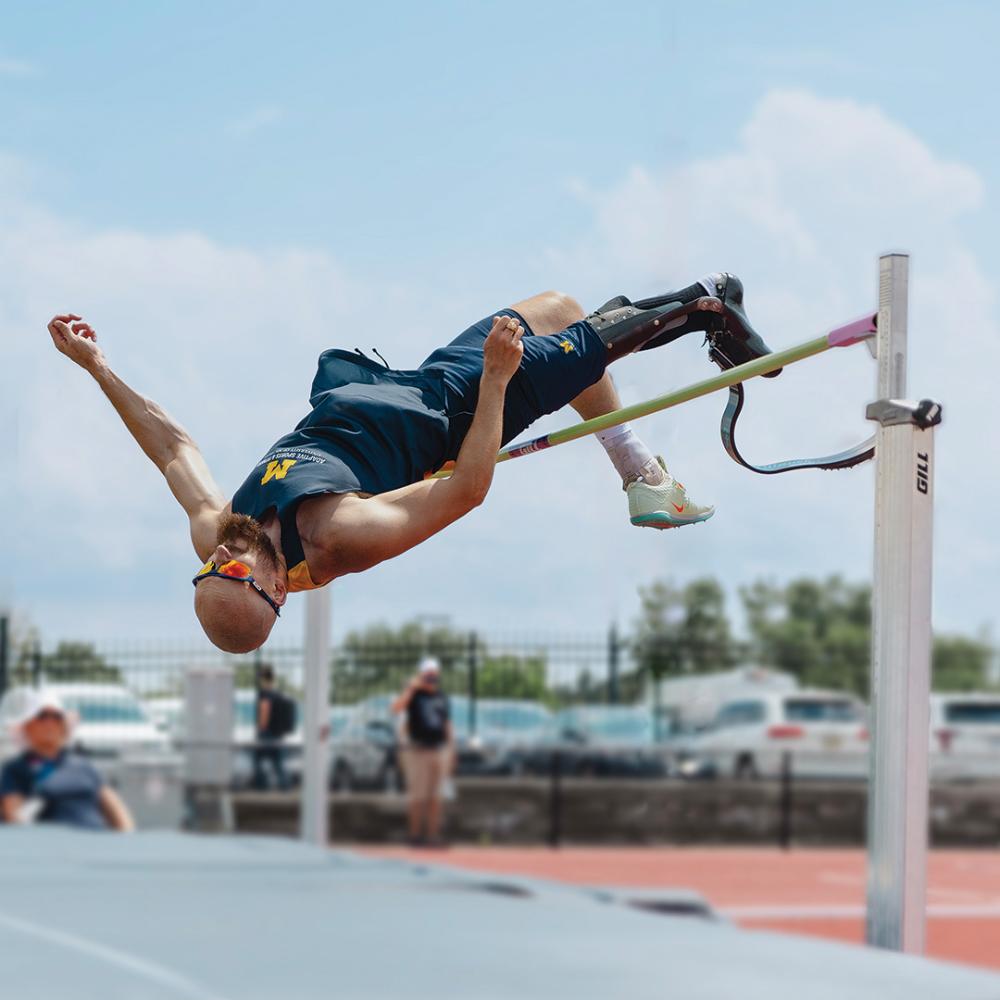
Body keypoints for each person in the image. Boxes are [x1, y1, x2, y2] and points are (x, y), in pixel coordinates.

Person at [46, 273, 776, 653]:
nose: (224, 560)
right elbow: (467, 489)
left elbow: (172, 449)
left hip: (393, 389)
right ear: (278, 591)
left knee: (557, 307)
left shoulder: (223, 533)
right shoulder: (341, 536)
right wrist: (496, 381)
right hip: (453, 411)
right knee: (591, 339)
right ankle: (710, 308)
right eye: (235, 576)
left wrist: (97, 367)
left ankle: (640, 475)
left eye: (212, 570)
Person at [0, 689, 134, 831]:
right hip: (50, 846)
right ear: (26, 727)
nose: (50, 722)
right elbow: (15, 817)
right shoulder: (16, 769)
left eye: (57, 717)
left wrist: (127, 842)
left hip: (96, 843)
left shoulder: (83, 766)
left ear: (63, 726)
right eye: (42, 716)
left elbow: (116, 809)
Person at [392, 657, 453, 846]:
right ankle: (415, 835)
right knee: (417, 796)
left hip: (438, 750)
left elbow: (447, 724)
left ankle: (432, 836)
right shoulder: (414, 695)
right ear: (421, 675)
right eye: (427, 674)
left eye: (434, 674)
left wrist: (452, 749)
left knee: (436, 797)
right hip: (418, 751)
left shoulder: (442, 697)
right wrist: (411, 688)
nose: (431, 678)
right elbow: (396, 709)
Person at [252, 666, 292, 791]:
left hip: (266, 733)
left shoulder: (264, 694)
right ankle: (285, 787)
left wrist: (260, 729)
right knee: (278, 763)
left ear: (263, 679)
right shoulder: (278, 694)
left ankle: (261, 786)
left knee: (258, 760)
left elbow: (264, 711)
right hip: (278, 733)